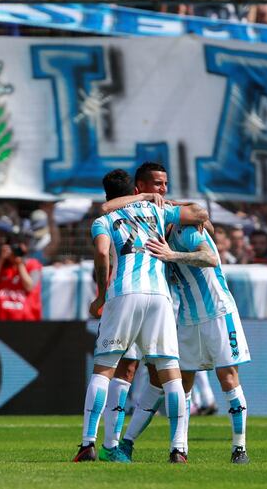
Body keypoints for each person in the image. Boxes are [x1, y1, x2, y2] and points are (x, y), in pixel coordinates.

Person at [72, 168, 207, 464]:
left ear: (106, 193)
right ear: (135, 189)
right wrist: (165, 202)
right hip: (159, 295)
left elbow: (102, 254)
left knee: (104, 369)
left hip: (123, 294)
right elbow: (198, 214)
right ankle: (178, 449)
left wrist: (101, 294)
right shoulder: (155, 210)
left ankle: (88, 443)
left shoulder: (103, 219)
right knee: (171, 374)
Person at [117, 213, 253, 464]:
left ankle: (239, 448)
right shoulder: (158, 240)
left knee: (228, 378)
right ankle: (178, 449)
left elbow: (211, 258)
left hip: (219, 313)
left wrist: (173, 256)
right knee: (179, 384)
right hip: (188, 320)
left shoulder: (186, 231)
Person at [0, 231, 42, 320]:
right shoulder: (1, 265)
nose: (15, 250)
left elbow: (29, 287)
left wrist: (19, 263)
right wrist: (1, 259)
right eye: (13, 247)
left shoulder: (33, 265)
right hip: (1, 320)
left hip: (26, 322)